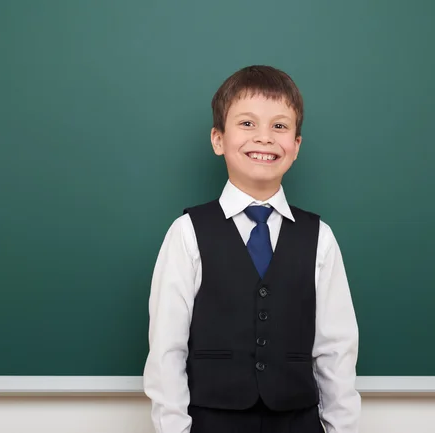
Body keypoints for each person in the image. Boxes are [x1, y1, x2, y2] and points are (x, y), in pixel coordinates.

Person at [143, 65, 360, 433]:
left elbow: (336, 350)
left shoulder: (319, 236)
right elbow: (167, 350)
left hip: (299, 422)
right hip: (211, 422)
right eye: (246, 124)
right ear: (218, 139)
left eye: (279, 126)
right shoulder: (187, 233)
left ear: (296, 146)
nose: (264, 138)